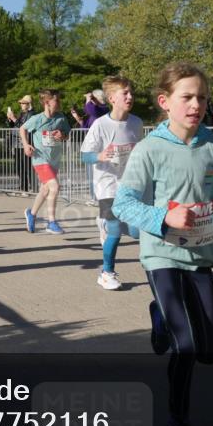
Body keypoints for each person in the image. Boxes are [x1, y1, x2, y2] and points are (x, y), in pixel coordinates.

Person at [113, 62, 213, 426]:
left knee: (209, 352)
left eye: (202, 97)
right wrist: (162, 217)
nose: (196, 104)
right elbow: (123, 204)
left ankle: (159, 315)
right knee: (185, 348)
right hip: (161, 254)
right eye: (186, 97)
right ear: (165, 102)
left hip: (202, 254)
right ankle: (178, 421)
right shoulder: (149, 148)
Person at [80, 76, 144, 290]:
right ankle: (107, 272)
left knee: (136, 232)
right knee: (115, 229)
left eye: (131, 92)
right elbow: (85, 155)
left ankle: (105, 224)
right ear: (111, 98)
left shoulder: (136, 123)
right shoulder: (100, 125)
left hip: (130, 184)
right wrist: (100, 156)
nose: (130, 96)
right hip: (106, 184)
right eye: (124, 93)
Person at [20, 89, 71, 235]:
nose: (59, 103)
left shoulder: (61, 118)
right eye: (57, 100)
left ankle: (32, 214)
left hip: (54, 160)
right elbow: (22, 129)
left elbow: (67, 135)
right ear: (47, 103)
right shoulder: (37, 118)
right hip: (40, 159)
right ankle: (51, 222)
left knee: (45, 189)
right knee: (54, 186)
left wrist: (63, 135)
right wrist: (25, 145)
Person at [5, 95, 34, 192]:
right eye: (21, 103)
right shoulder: (22, 113)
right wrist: (10, 120)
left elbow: (24, 127)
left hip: (25, 143)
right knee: (19, 167)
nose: (21, 104)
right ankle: (23, 188)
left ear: (29, 104)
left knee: (27, 167)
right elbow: (15, 125)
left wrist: (13, 118)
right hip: (17, 143)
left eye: (23, 103)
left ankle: (33, 188)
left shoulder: (31, 114)